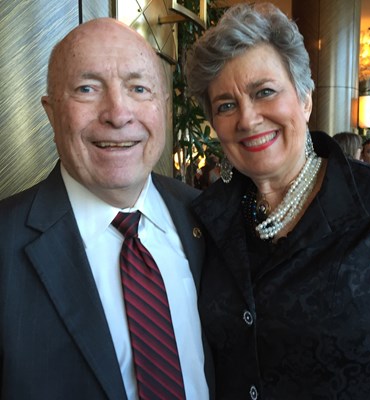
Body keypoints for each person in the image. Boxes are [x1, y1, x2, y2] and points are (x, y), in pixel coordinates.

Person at [185, 3, 370, 399]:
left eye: (264, 92)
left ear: (305, 99)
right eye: (226, 105)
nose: (247, 119)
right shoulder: (206, 219)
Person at [0, 18, 212, 399]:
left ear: (164, 108)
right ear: (51, 112)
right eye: (87, 88)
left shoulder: (208, 217)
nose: (118, 113)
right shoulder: (5, 243)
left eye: (138, 88)